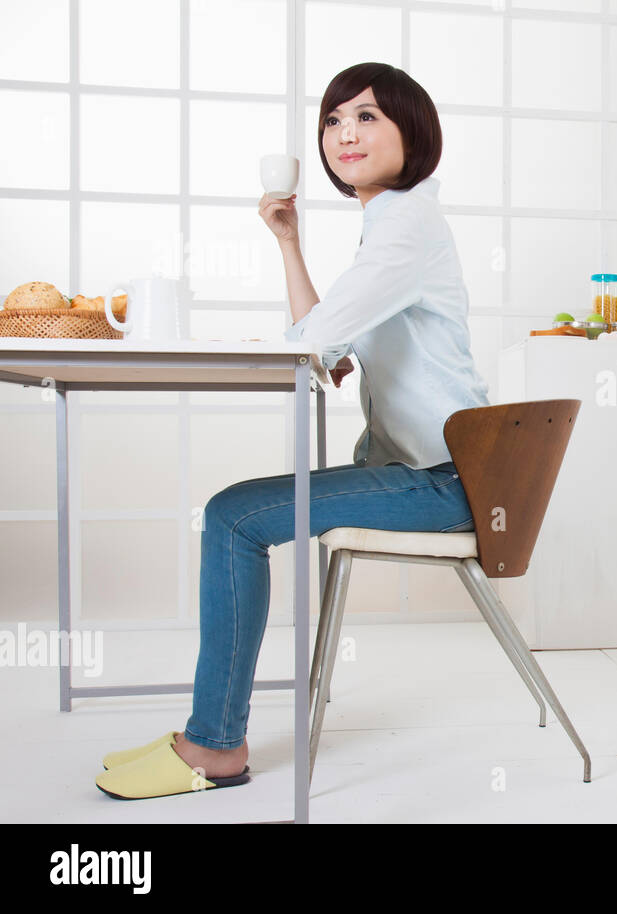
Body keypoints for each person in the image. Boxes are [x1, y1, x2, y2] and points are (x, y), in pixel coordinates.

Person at [95, 63, 492, 799]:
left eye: (368, 117)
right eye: (335, 120)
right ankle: (209, 734)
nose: (346, 133)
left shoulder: (407, 225)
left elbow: (313, 340)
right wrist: (288, 241)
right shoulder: (392, 228)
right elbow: (327, 349)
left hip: (444, 483)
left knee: (233, 516)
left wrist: (312, 339)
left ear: (414, 131)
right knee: (236, 514)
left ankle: (214, 745)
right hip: (434, 475)